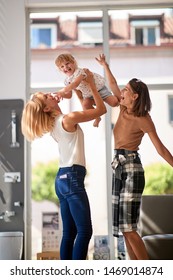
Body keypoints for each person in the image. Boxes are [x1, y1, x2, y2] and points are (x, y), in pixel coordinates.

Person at [21, 69, 107, 260]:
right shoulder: (67, 119)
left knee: (70, 233)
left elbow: (77, 108)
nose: (52, 94)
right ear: (45, 108)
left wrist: (76, 88)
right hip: (72, 178)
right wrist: (91, 84)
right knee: (85, 231)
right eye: (47, 97)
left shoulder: (55, 125)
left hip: (62, 179)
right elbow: (101, 110)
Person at [96, 54, 173, 260]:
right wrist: (105, 66)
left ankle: (147, 270)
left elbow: (161, 149)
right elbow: (112, 83)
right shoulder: (122, 108)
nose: (121, 92)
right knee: (123, 228)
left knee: (129, 228)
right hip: (118, 167)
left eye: (126, 90)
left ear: (135, 96)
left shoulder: (143, 119)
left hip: (132, 169)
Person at [54, 53, 118, 127]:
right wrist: (62, 94)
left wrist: (62, 90)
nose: (65, 67)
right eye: (62, 66)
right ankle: (97, 117)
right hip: (89, 95)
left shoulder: (80, 72)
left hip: (99, 90)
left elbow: (75, 84)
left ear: (73, 62)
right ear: (60, 69)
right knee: (85, 105)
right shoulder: (67, 81)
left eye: (67, 63)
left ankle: (118, 96)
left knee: (114, 103)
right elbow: (69, 95)